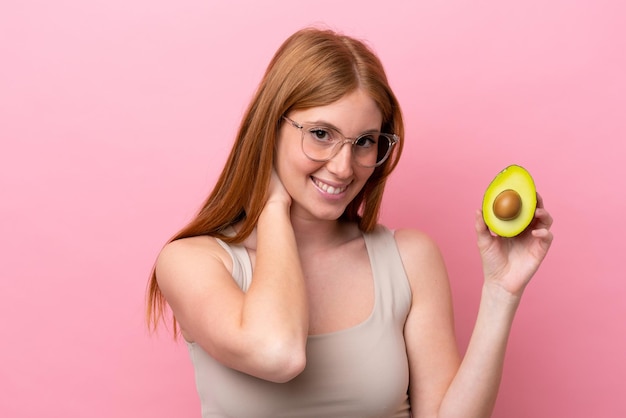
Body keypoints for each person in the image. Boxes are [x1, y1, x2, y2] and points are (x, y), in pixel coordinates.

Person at [146, 27, 553, 418]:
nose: (344, 168)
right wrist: (272, 206)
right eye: (321, 133)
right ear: (270, 129)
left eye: (364, 142)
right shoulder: (193, 262)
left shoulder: (409, 258)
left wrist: (501, 293)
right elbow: (277, 352)